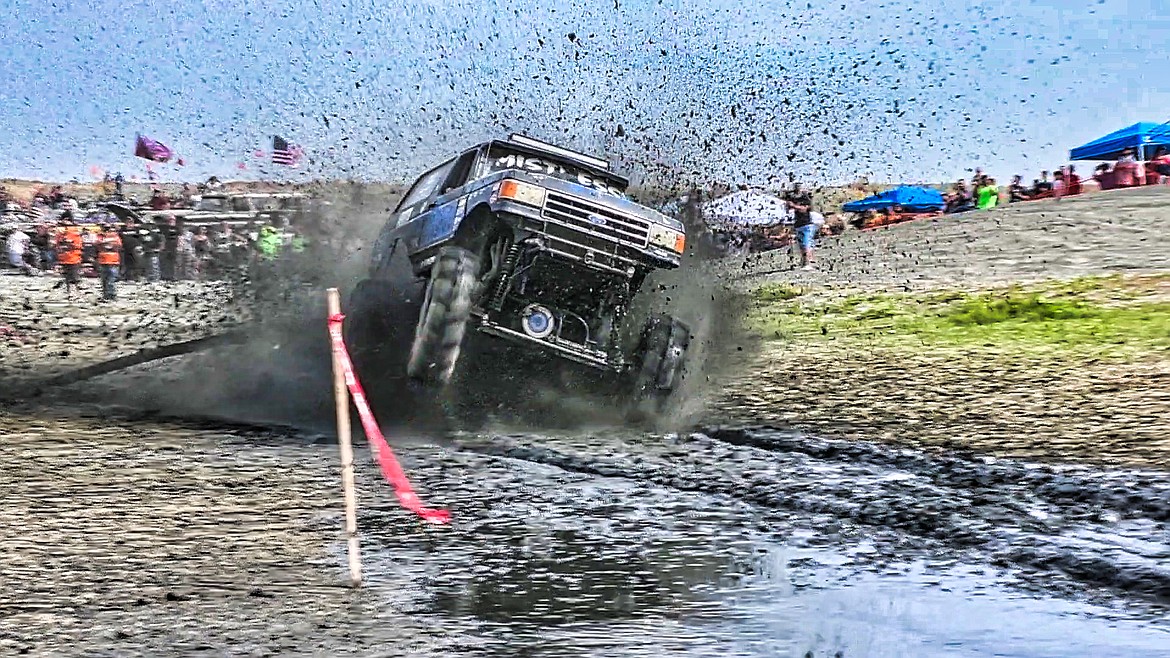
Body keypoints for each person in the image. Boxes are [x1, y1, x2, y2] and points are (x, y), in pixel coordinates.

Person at [783, 182, 817, 270]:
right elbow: (788, 210)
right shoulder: (793, 198)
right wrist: (788, 205)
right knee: (801, 244)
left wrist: (793, 206)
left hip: (807, 224)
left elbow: (804, 209)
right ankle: (804, 262)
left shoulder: (805, 198)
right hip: (798, 224)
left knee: (806, 243)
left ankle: (807, 263)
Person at [54, 214, 84, 296]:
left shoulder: (74, 233)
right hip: (64, 258)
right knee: (67, 277)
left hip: (74, 258)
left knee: (73, 277)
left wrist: (67, 242)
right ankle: (70, 293)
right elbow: (56, 245)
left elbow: (78, 245)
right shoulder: (59, 234)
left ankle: (76, 294)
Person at [96, 223, 123, 301]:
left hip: (113, 260)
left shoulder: (114, 236)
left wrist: (105, 243)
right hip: (103, 260)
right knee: (104, 280)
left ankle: (112, 295)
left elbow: (118, 246)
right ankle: (106, 295)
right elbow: (97, 244)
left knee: (111, 279)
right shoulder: (100, 236)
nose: (106, 230)